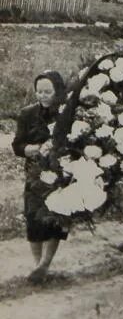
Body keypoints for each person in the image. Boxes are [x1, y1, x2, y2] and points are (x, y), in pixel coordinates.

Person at [12, 70, 68, 283]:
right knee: (33, 220)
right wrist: (34, 149)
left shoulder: (66, 113)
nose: (43, 95)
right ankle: (38, 267)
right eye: (39, 91)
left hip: (59, 174)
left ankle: (45, 264)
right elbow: (17, 145)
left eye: (48, 91)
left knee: (54, 220)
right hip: (34, 175)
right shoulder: (27, 113)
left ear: (57, 91)